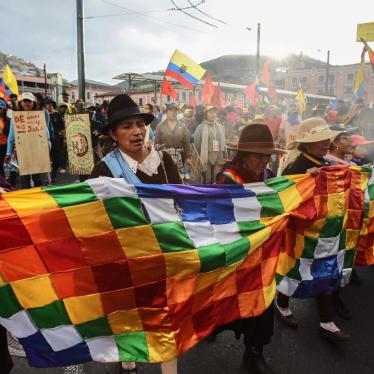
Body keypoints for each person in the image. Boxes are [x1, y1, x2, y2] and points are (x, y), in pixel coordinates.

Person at [90, 94, 180, 374]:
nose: (137, 131)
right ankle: (128, 355)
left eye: (140, 124)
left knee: (165, 318)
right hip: (126, 255)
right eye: (127, 126)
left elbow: (181, 201)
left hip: (164, 250)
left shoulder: (163, 161)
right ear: (113, 135)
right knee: (128, 313)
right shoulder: (104, 170)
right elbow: (94, 218)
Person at [215, 122, 285, 374]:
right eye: (258, 155)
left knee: (262, 301)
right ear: (243, 155)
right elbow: (217, 217)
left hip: (263, 253)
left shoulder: (268, 177)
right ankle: (213, 328)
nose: (264, 161)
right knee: (226, 298)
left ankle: (254, 351)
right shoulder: (227, 179)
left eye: (267, 156)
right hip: (236, 252)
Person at [276, 117, 351, 341]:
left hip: (326, 232)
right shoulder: (296, 166)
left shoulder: (326, 162)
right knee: (293, 269)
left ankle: (326, 321)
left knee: (325, 270)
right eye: (319, 140)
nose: (325, 143)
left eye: (326, 138)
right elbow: (284, 196)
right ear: (306, 144)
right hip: (302, 232)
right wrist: (305, 182)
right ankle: (281, 306)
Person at [4, 92, 51, 189]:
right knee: (24, 180)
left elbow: (46, 134)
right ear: (21, 103)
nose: (27, 103)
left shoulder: (38, 116)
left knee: (37, 179)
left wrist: (47, 147)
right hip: (22, 152)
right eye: (25, 101)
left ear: (33, 103)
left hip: (37, 152)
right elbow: (11, 137)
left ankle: (40, 200)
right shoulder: (16, 117)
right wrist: (8, 153)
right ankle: (29, 201)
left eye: (29, 101)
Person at [154, 103, 191, 181]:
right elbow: (156, 144)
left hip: (180, 158)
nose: (173, 112)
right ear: (166, 112)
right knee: (167, 179)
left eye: (175, 110)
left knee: (179, 179)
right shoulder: (160, 126)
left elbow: (186, 143)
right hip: (165, 157)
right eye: (171, 110)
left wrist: (188, 157)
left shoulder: (183, 126)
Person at [194, 106, 226, 183]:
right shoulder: (200, 127)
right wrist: (199, 158)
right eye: (210, 112)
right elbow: (197, 144)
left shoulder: (220, 127)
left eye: (214, 112)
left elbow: (223, 142)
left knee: (217, 177)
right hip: (206, 156)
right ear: (206, 114)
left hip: (218, 155)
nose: (213, 114)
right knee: (207, 179)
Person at [0, 100, 10, 178]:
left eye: (1, 108)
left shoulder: (7, 120)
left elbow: (10, 133)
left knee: (6, 164)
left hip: (5, 145)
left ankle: (6, 181)